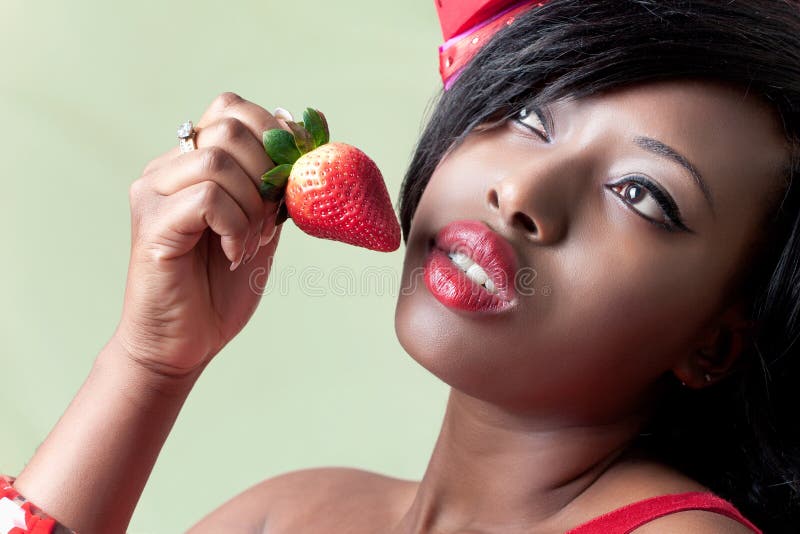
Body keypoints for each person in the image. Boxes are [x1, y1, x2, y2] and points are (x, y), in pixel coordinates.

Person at [3, 0, 800, 532]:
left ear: (717, 343)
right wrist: (149, 364)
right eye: (527, 112)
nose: (519, 190)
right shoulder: (291, 513)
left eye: (640, 193)